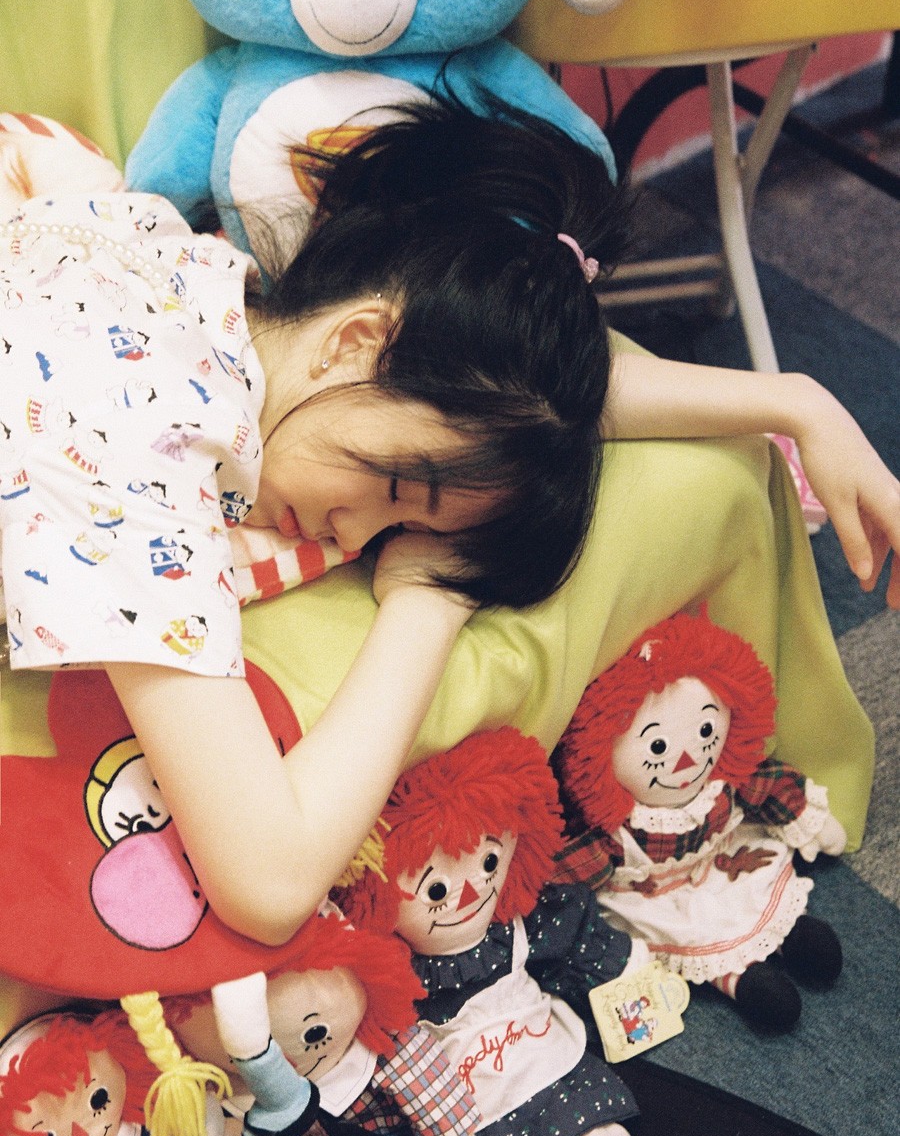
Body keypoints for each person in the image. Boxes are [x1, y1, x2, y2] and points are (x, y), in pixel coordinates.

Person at [1, 93, 897, 962]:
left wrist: (798, 403)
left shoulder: (216, 298)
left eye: (399, 516)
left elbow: (519, 408)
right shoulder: (132, 451)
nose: (362, 537)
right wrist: (427, 600)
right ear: (357, 339)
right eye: (394, 485)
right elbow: (269, 882)